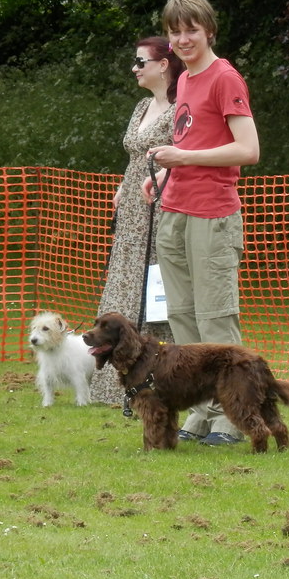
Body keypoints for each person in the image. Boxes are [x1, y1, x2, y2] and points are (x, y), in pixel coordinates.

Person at [143, 0, 260, 446]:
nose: (183, 38)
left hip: (213, 213)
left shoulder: (224, 77)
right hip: (175, 209)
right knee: (183, 319)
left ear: (209, 30)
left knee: (216, 321)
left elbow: (248, 150)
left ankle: (236, 415)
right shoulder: (186, 80)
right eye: (175, 31)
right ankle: (202, 412)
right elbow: (191, 147)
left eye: (191, 29)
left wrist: (183, 158)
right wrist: (165, 177)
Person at [90, 37, 182, 405]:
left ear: (163, 65)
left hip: (161, 203)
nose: (135, 68)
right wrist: (121, 188)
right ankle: (114, 382)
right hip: (131, 205)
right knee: (125, 278)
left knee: (156, 285)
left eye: (141, 61)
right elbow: (134, 157)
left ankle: (161, 377)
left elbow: (184, 157)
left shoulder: (180, 109)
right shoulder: (143, 105)